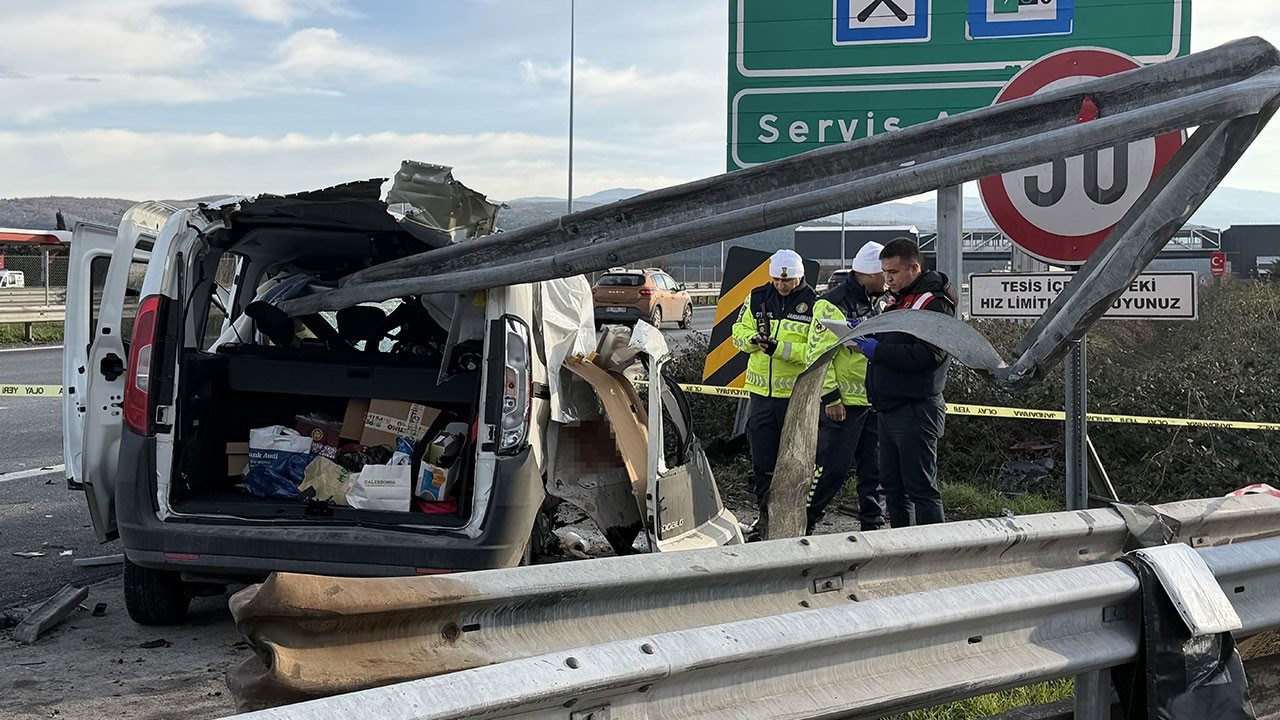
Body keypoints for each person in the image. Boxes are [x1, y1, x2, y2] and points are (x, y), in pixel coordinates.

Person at [849, 237, 958, 527]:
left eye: (893, 272)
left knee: (921, 488)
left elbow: (929, 355)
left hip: (915, 409)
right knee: (894, 488)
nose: (887, 279)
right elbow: (899, 341)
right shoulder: (898, 300)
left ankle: (935, 556)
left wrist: (876, 350)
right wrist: (868, 337)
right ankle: (904, 550)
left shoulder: (932, 302)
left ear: (914, 268)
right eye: (884, 272)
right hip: (889, 407)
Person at [732, 248, 817, 538]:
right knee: (763, 463)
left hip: (795, 398)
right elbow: (737, 332)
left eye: (788, 281)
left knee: (794, 463)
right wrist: (752, 340)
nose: (782, 286)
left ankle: (795, 521)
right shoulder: (757, 297)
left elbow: (815, 352)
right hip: (761, 396)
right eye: (777, 281)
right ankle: (765, 519)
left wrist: (780, 348)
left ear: (800, 277)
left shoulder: (814, 304)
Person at [806, 242, 887, 534]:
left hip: (872, 400)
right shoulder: (833, 303)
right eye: (883, 273)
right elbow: (816, 355)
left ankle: (872, 524)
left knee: (874, 469)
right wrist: (830, 397)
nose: (887, 279)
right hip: (843, 405)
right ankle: (806, 519)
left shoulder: (875, 300)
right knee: (832, 469)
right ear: (869, 273)